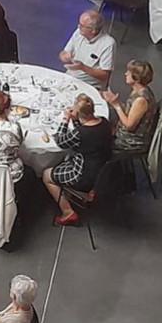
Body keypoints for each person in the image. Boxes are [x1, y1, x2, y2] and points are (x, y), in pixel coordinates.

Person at [42, 94, 112, 226]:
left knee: (46, 175)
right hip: (101, 170)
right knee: (63, 160)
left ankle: (68, 212)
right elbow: (81, 131)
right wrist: (76, 120)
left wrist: (65, 119)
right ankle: (70, 194)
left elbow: (60, 141)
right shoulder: (104, 122)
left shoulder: (81, 133)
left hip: (82, 175)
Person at [102, 59, 158, 154]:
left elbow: (129, 126)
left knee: (96, 138)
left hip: (130, 142)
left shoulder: (141, 100)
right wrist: (116, 102)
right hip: (125, 133)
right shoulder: (138, 90)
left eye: (129, 72)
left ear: (136, 78)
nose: (125, 74)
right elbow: (130, 112)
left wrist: (116, 105)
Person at [59, 9, 116, 88]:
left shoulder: (108, 43)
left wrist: (83, 67)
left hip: (90, 85)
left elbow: (105, 75)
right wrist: (64, 56)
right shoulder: (78, 32)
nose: (79, 27)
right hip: (70, 78)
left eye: (82, 26)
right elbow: (63, 53)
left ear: (93, 30)